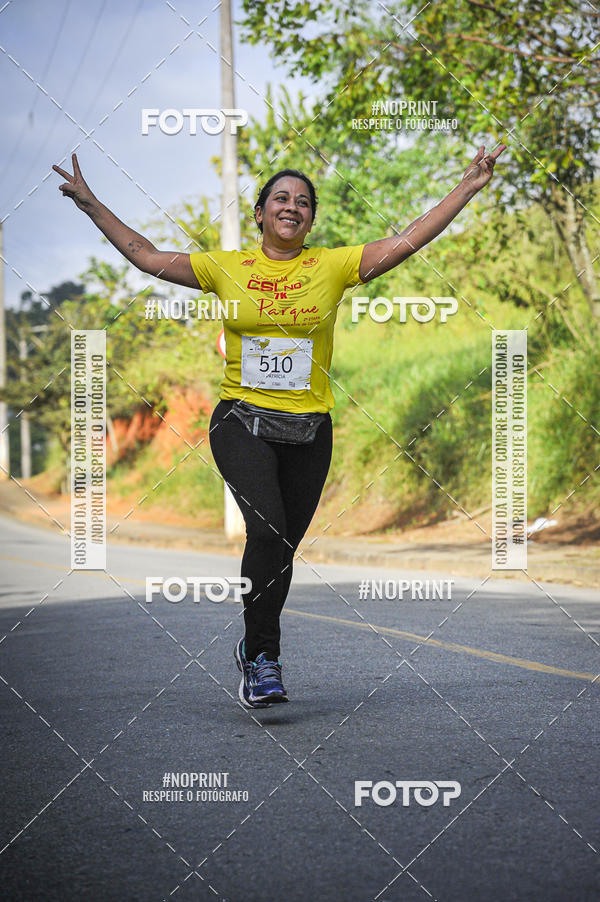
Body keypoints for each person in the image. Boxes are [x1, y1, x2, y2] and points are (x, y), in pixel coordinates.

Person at [53, 144, 505, 707]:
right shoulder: (227, 267)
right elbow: (144, 255)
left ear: (311, 218)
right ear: (262, 212)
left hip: (310, 429)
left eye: (304, 202)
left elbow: (408, 238)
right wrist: (92, 204)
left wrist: (467, 187)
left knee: (283, 547)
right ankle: (265, 658)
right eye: (281, 198)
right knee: (266, 531)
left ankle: (253, 649)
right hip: (241, 419)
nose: (292, 207)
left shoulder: (334, 265)